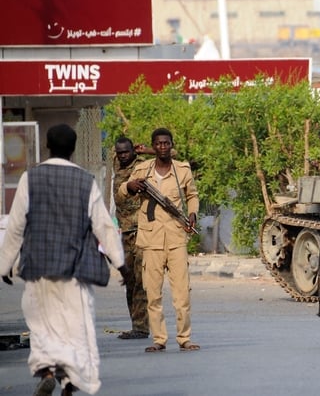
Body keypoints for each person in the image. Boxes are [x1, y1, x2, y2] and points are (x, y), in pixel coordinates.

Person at [0, 124, 130, 396]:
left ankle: (46, 370)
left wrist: (4, 264)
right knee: (73, 328)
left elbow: (15, 226)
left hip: (39, 268)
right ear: (72, 149)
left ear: (47, 146)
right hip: (75, 270)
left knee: (41, 324)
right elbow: (103, 227)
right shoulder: (86, 181)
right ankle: (70, 380)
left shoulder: (29, 178)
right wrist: (120, 263)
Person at [119, 128, 201, 353]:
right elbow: (120, 193)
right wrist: (130, 186)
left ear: (171, 145)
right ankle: (159, 339)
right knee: (153, 293)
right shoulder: (142, 169)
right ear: (153, 146)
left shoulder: (182, 169)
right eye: (159, 144)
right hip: (151, 239)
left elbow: (192, 195)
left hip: (176, 237)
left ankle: (184, 338)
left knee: (182, 294)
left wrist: (193, 213)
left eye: (167, 143)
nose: (163, 147)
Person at [113, 137, 150, 340]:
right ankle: (135, 324)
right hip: (124, 232)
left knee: (140, 280)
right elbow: (115, 150)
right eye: (120, 152)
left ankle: (141, 328)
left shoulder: (142, 165)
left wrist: (148, 150)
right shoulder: (116, 162)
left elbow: (172, 154)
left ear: (133, 151)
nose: (123, 155)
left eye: (126, 152)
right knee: (129, 280)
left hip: (140, 230)